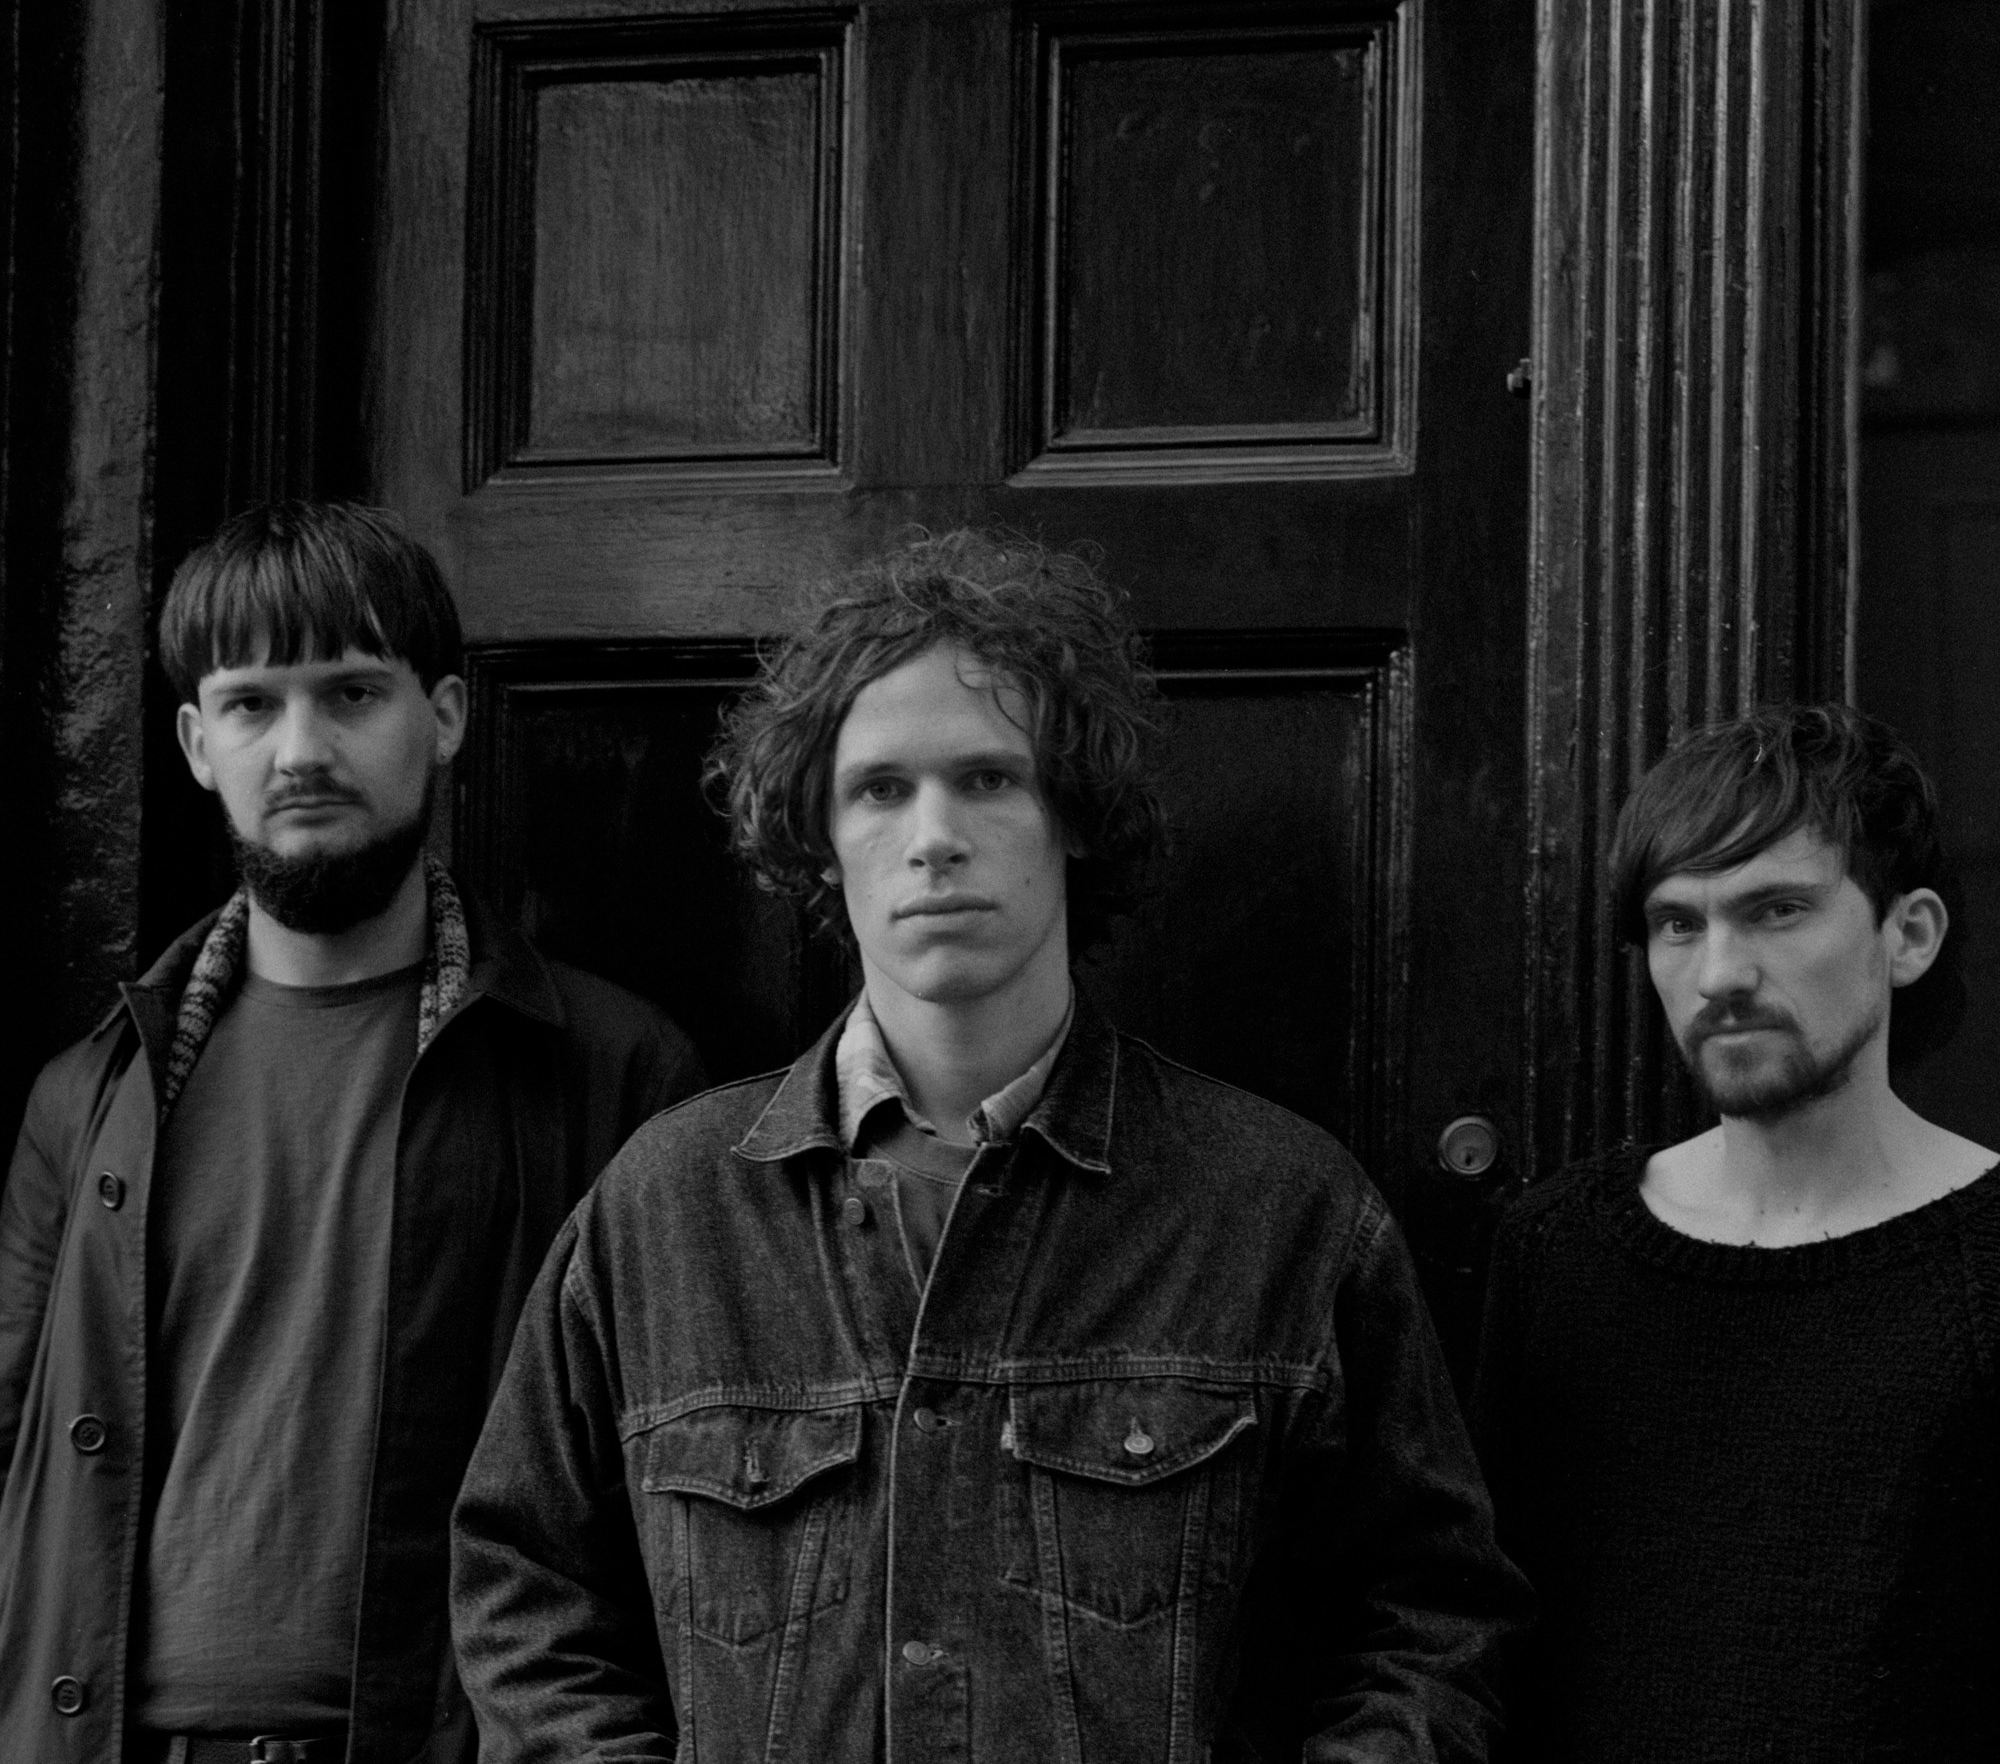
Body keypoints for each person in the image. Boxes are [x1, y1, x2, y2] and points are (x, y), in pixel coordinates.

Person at [451, 528, 1526, 1764]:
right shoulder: (666, 1207)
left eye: (986, 778)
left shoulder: (1279, 1207)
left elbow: (1431, 1617)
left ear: (1073, 813)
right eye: (878, 788)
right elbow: (526, 1590)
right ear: (816, 834)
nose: (933, 835)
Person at [0, 501, 704, 1764]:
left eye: (351, 693)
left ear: (444, 715)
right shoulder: (90, 1094)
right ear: (196, 743)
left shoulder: (612, 1071)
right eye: (251, 704)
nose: (300, 749)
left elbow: (681, 1489)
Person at [1474, 703, 2000, 1762]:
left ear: (1907, 935)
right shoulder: (1556, 1253)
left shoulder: (1983, 1268)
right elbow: (1477, 1631)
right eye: (1678, 923)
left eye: (1776, 910)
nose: (1718, 973)